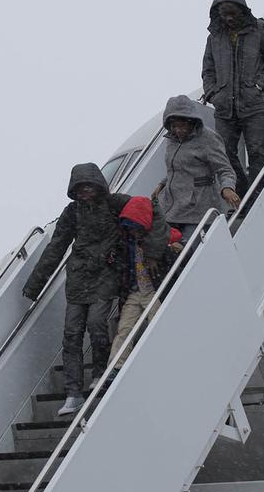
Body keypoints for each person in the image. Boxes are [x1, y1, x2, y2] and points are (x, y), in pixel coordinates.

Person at [22, 163, 170, 416]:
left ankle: (100, 373)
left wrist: (154, 251)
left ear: (99, 184)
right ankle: (73, 393)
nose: (85, 192)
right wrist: (35, 284)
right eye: (80, 188)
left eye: (89, 186)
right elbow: (56, 247)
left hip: (106, 274)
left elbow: (150, 209)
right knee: (71, 334)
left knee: (98, 324)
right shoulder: (72, 213)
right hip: (78, 279)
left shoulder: (115, 203)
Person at [201, 0, 264, 195]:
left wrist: (259, 84)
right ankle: (242, 193)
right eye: (223, 13)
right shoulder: (214, 38)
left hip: (255, 104)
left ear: (242, 10)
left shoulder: (261, 29)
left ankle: (257, 199)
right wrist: (213, 93)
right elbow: (207, 69)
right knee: (223, 153)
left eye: (232, 13)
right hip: (224, 108)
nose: (228, 18)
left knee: (259, 152)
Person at [105, 197, 183, 382]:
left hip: (154, 291)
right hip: (135, 292)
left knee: (157, 325)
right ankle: (116, 367)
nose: (133, 230)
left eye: (136, 226)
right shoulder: (126, 244)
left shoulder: (162, 242)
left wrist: (171, 250)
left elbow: (173, 253)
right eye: (129, 227)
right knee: (124, 328)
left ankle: (162, 360)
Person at [151, 95, 240, 243]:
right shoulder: (172, 140)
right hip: (171, 208)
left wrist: (227, 188)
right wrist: (162, 184)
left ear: (191, 121)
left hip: (198, 210)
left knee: (191, 252)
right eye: (174, 126)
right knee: (164, 246)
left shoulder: (208, 138)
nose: (178, 130)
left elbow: (225, 169)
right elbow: (178, 168)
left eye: (182, 125)